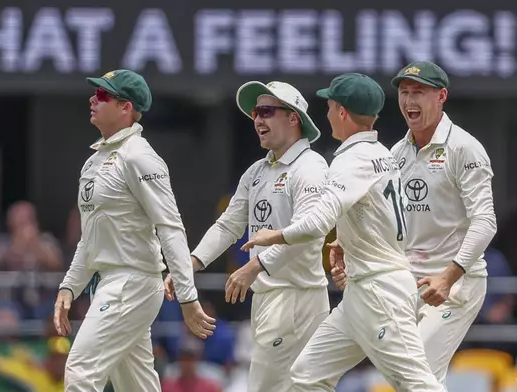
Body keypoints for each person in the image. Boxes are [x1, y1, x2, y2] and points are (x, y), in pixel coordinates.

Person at [229, 73, 445, 391]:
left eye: (330, 106)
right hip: (362, 290)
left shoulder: (351, 160)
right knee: (306, 375)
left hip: (380, 291)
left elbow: (317, 221)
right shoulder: (384, 155)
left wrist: (273, 236)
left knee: (418, 385)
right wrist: (344, 241)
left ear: (341, 111)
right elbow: (379, 216)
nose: (327, 113)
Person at [329, 61, 497, 383]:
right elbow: (386, 217)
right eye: (404, 93)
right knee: (420, 379)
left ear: (441, 96)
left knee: (414, 374)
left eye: (418, 92)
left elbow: (485, 222)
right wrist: (348, 243)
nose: (408, 101)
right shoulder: (396, 153)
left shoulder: (465, 149)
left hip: (457, 285)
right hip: (410, 284)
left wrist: (448, 277)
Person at [54, 69, 215, 392]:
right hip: (112, 283)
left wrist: (187, 296)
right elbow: (91, 237)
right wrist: (69, 287)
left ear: (126, 107)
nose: (92, 99)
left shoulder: (140, 157)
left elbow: (170, 228)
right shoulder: (94, 162)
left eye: (102, 95)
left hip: (132, 283)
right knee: (137, 386)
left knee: (81, 370)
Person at [165, 80, 329, 392]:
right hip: (269, 298)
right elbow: (228, 225)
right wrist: (190, 263)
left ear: (293, 118)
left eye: (267, 111)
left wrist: (255, 266)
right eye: (255, 113)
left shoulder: (310, 167)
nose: (258, 120)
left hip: (297, 297)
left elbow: (307, 231)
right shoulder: (256, 172)